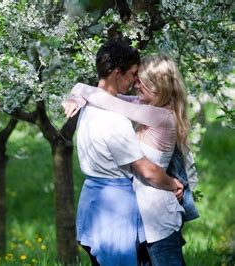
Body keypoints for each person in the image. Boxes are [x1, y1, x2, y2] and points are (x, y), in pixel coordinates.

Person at [63, 53, 199, 265]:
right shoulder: (146, 106)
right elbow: (105, 97)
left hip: (159, 216)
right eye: (135, 78)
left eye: (140, 81)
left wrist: (80, 91)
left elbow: (110, 102)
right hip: (146, 215)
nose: (135, 85)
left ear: (157, 85)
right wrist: (77, 96)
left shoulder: (160, 116)